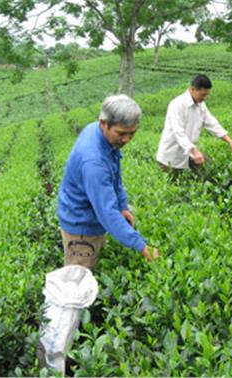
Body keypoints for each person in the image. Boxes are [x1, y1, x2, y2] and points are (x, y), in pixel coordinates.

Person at [57, 94, 159, 269]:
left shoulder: (97, 133)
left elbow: (114, 174)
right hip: (81, 228)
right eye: (121, 133)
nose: (126, 139)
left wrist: (122, 206)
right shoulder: (93, 162)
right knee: (80, 279)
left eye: (132, 133)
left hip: (91, 215)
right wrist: (142, 246)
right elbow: (107, 213)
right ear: (103, 123)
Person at [156, 74, 232, 173]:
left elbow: (212, 123)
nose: (205, 98)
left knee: (209, 170)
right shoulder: (177, 105)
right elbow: (179, 132)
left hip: (189, 153)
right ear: (192, 89)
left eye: (207, 94)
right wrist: (194, 151)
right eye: (203, 95)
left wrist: (230, 141)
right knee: (175, 184)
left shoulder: (201, 105)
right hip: (171, 157)